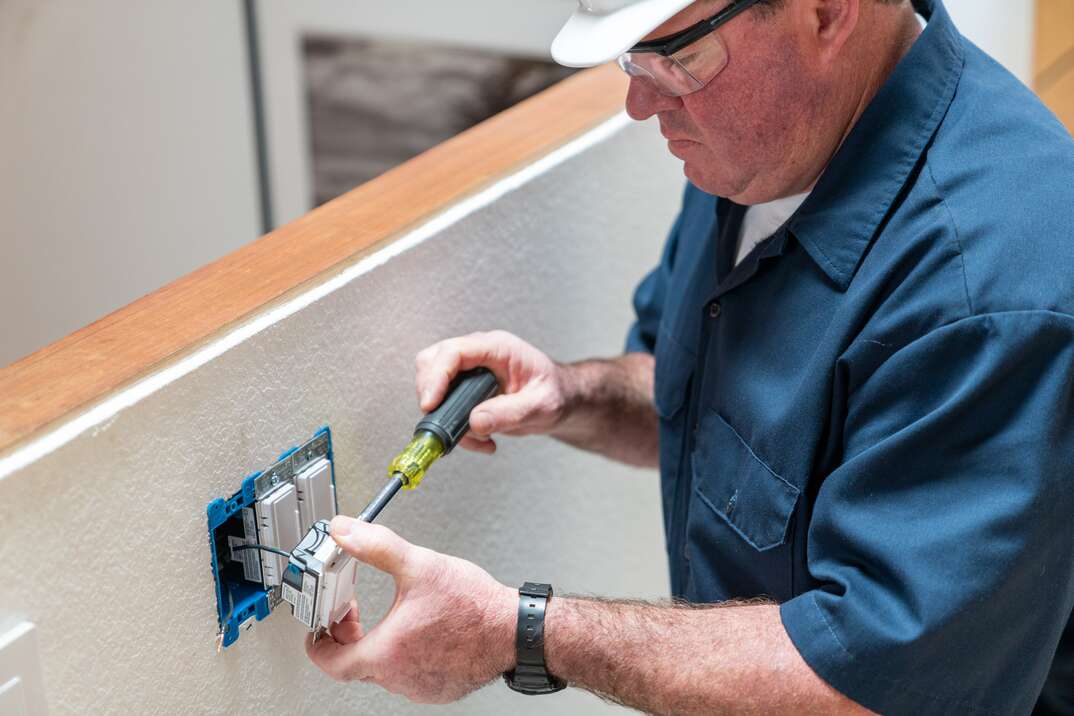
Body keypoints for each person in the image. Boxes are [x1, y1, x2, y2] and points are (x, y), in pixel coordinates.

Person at [307, 0, 1074, 712]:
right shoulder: (765, 147)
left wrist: (519, 631)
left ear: (829, 11)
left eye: (677, 57)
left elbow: (870, 681)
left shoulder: (993, 290)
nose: (642, 104)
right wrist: (576, 395)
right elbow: (727, 419)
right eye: (634, 64)